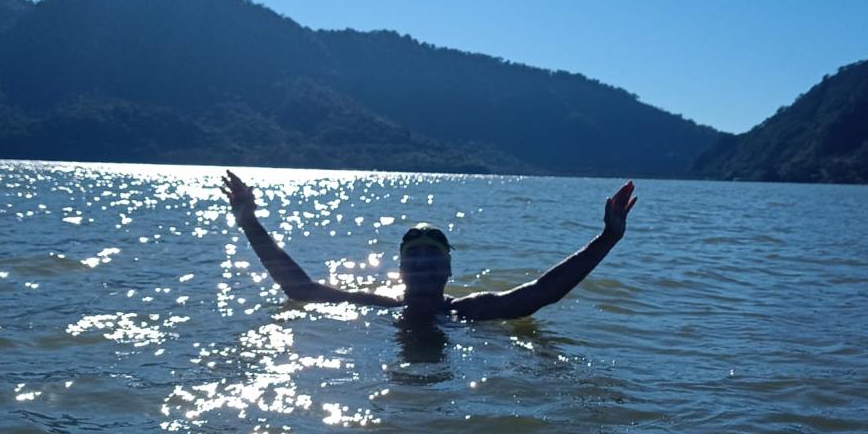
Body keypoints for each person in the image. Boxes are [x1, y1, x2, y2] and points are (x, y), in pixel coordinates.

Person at [219, 170, 636, 322]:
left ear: (449, 270)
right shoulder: (377, 307)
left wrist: (608, 238)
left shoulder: (469, 310)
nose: (421, 264)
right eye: (412, 257)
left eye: (431, 256)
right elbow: (300, 289)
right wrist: (249, 222)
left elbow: (541, 293)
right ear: (400, 270)